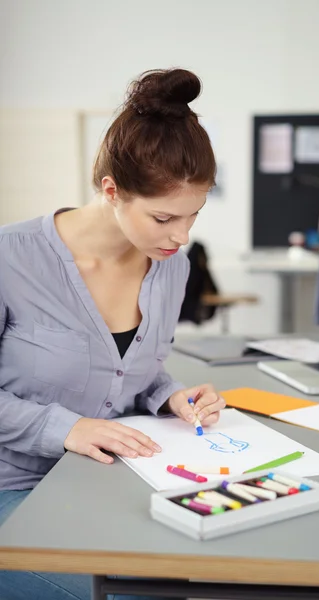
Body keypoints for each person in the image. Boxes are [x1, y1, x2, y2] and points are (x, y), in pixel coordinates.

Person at [0, 67, 225, 600]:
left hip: (110, 484)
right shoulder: (11, 259)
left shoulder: (171, 266)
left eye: (194, 215)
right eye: (165, 217)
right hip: (14, 490)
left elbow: (134, 370)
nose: (182, 235)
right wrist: (67, 429)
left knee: (204, 577)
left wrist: (169, 396)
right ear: (111, 190)